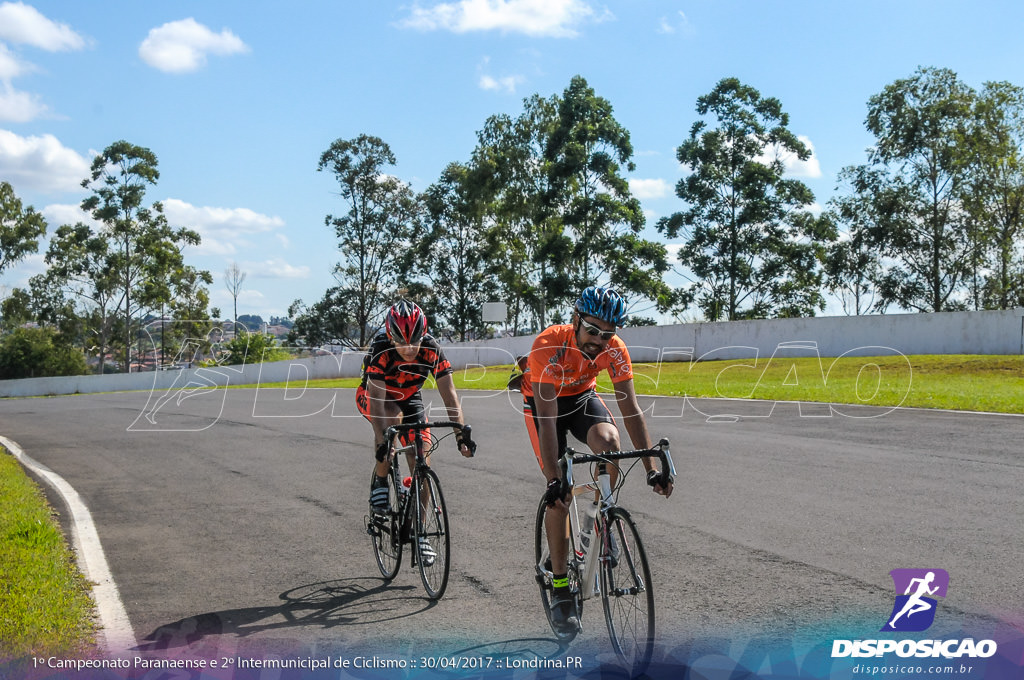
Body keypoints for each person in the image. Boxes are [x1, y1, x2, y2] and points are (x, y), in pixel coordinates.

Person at [521, 286, 674, 634]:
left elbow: (630, 409)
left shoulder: (614, 350)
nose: (599, 340)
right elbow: (547, 421)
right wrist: (553, 478)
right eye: (592, 331)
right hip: (545, 407)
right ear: (576, 320)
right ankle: (561, 588)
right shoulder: (549, 344)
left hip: (581, 398)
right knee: (559, 497)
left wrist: (651, 469)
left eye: (608, 334)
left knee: (609, 441)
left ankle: (601, 517)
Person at [356, 300, 476, 564]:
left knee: (421, 452)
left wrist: (460, 436)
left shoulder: (432, 349)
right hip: (377, 396)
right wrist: (381, 440)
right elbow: (376, 401)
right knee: (390, 424)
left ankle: (420, 535)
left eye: (415, 342)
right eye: (402, 343)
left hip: (410, 396)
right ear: (390, 337)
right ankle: (380, 481)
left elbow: (450, 396)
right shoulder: (380, 349)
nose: (409, 349)